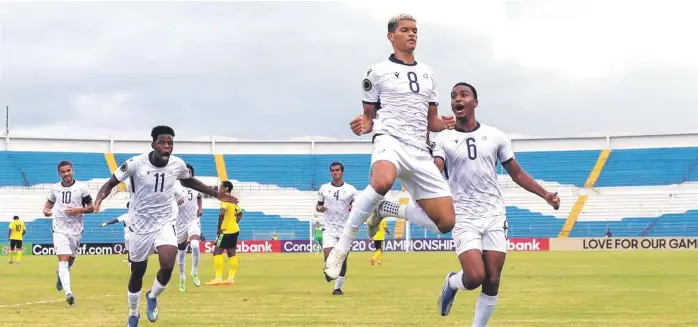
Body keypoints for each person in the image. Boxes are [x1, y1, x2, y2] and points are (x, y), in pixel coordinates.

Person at [324, 13, 456, 279]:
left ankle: (387, 209)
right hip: (390, 140)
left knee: (446, 223)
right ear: (391, 36)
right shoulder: (376, 72)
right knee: (382, 181)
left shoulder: (428, 73)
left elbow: (431, 121)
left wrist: (445, 123)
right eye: (405, 30)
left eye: (415, 30)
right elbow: (370, 120)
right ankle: (342, 246)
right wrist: (363, 125)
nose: (412, 34)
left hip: (420, 150)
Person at [433, 82, 561, 325]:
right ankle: (452, 281)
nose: (457, 99)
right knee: (474, 276)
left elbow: (517, 174)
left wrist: (545, 195)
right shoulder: (444, 139)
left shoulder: (495, 136)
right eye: (453, 96)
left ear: (475, 103)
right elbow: (436, 168)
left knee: (492, 278)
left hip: (493, 215)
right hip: (463, 216)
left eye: (463, 95)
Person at [93, 125, 238, 327]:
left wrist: (215, 193)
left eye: (170, 142)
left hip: (165, 221)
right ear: (153, 144)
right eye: (163, 142)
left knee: (168, 263)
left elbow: (189, 182)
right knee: (137, 272)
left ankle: (152, 296)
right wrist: (99, 200)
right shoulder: (136, 164)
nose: (167, 146)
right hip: (139, 225)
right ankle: (133, 313)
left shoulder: (177, 164)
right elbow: (110, 183)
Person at [43, 160, 94, 305]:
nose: (66, 174)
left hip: (76, 230)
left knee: (70, 260)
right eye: (63, 172)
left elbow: (92, 208)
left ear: (72, 171)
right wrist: (46, 210)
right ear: (59, 173)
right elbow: (49, 203)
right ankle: (68, 293)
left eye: (68, 170)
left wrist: (78, 210)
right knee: (63, 261)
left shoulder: (82, 188)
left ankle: (61, 275)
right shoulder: (55, 188)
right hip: (59, 229)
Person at [316, 162, 357, 295]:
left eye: (337, 170)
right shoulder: (324, 188)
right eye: (333, 170)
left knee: (342, 259)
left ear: (342, 172)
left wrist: (353, 207)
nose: (335, 172)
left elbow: (359, 206)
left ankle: (337, 288)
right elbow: (318, 205)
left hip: (346, 230)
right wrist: (320, 208)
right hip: (329, 228)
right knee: (329, 256)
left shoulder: (351, 190)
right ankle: (329, 271)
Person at [205, 181, 243, 286]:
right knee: (232, 253)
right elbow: (240, 213)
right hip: (235, 230)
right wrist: (234, 223)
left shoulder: (225, 200)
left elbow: (221, 213)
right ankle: (230, 279)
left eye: (220, 187)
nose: (219, 188)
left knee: (217, 252)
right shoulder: (233, 200)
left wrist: (219, 228)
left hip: (225, 231)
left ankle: (218, 278)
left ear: (226, 188)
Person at [174, 164, 204, 292]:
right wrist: (176, 202)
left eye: (190, 172)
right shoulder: (174, 186)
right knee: (181, 252)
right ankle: (182, 278)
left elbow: (199, 197)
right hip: (179, 223)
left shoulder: (196, 186)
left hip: (193, 220)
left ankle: (194, 272)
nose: (188, 174)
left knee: (195, 245)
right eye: (186, 172)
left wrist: (200, 208)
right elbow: (166, 202)